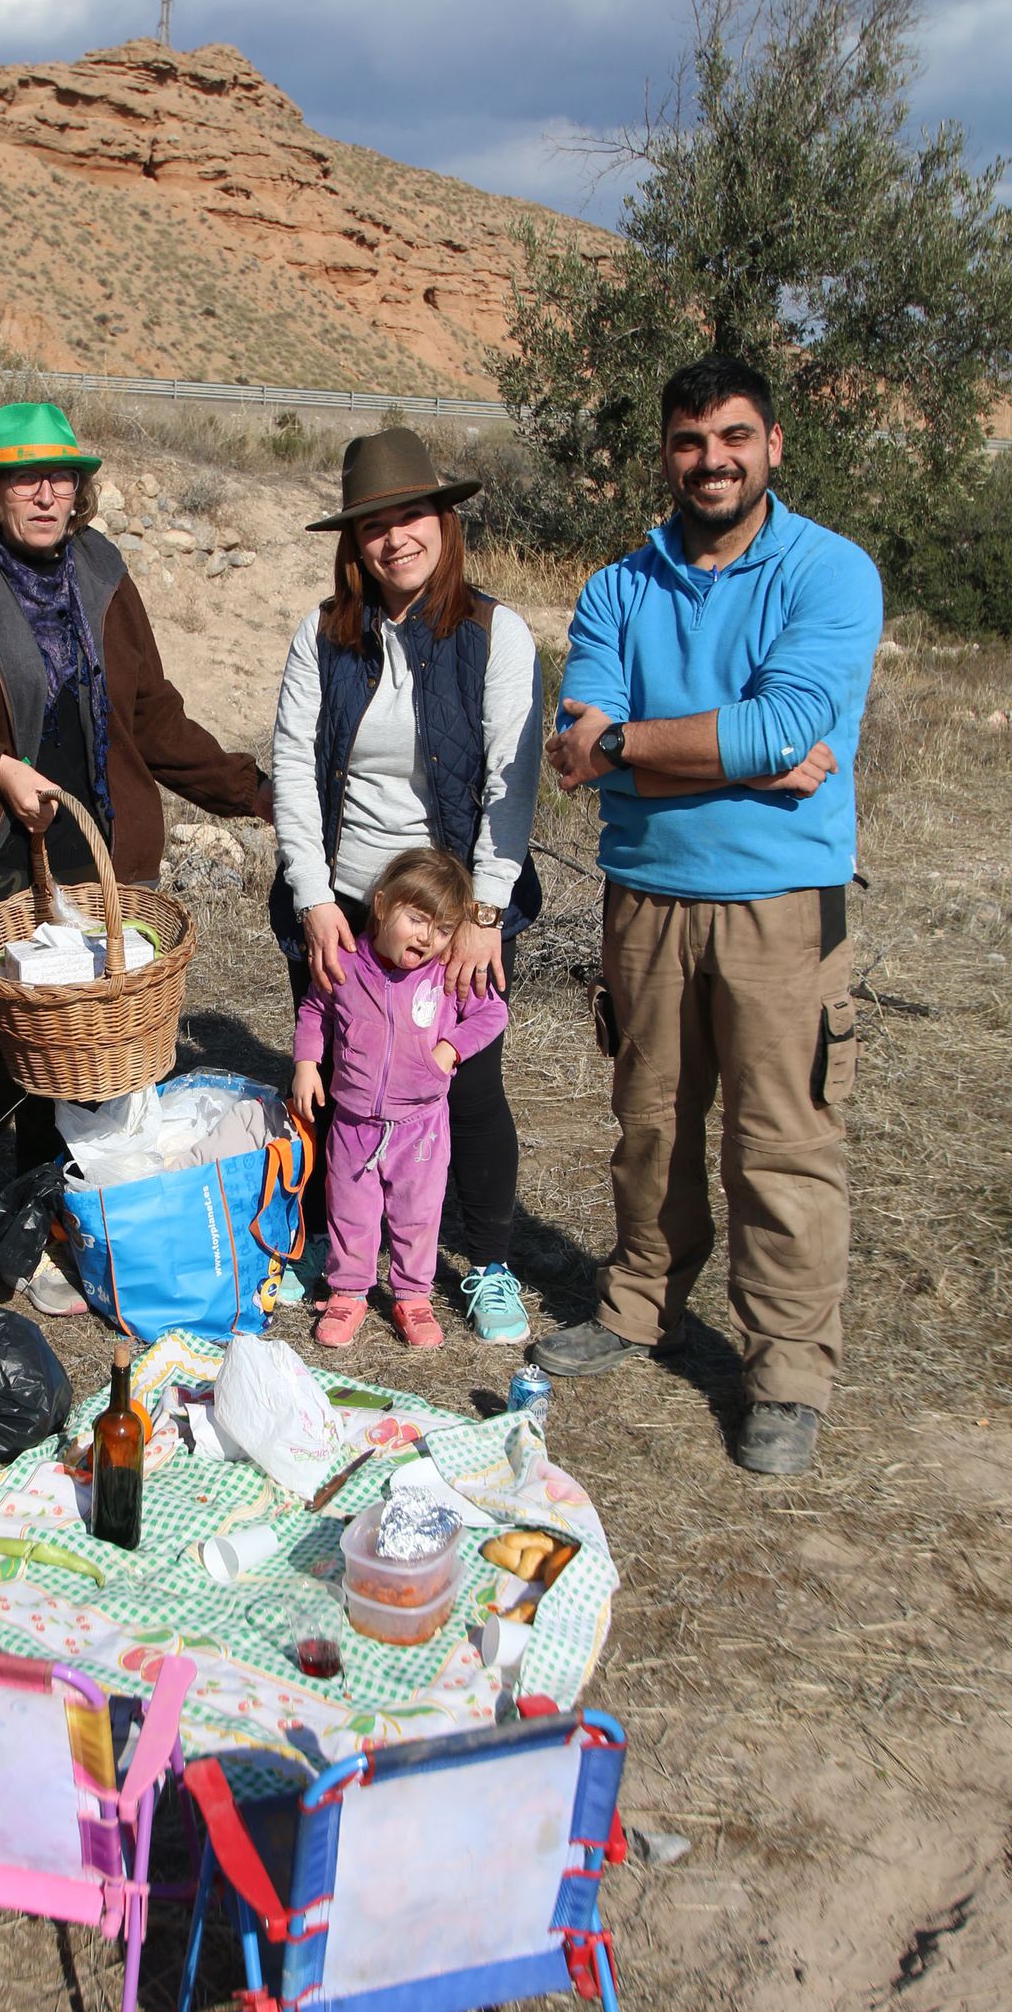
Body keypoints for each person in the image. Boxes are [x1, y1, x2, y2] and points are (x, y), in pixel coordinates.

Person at [536, 354, 883, 1477]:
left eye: (733, 437)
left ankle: (784, 1372)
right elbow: (578, 747)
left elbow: (782, 726)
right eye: (689, 442)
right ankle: (640, 1306)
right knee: (648, 1124)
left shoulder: (828, 573)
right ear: (667, 454)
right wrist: (727, 753)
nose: (711, 460)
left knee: (780, 1145)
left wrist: (633, 748)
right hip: (645, 900)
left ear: (772, 445)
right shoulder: (616, 587)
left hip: (781, 908)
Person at [0, 401, 271, 1310]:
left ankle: (51, 1222)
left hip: (98, 851)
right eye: (23, 477)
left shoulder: (105, 573)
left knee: (83, 1053)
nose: (44, 491)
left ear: (81, 489)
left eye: (60, 475)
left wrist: (256, 792)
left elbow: (152, 718)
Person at [270, 426, 542, 1343]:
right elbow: (294, 770)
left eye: (412, 515)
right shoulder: (324, 637)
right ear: (355, 542)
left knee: (464, 1082)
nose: (396, 538)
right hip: (347, 903)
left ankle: (489, 1263)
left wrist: (486, 909)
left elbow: (515, 773)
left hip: (458, 907)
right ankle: (331, 1255)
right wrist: (312, 898)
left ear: (445, 519)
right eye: (374, 524)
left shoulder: (494, 634)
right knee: (338, 1082)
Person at [293, 847, 509, 1349]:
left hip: (421, 1127)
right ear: (384, 905)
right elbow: (312, 1010)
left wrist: (448, 1050)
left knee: (417, 1213)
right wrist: (307, 1063)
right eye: (417, 919)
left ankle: (412, 1295)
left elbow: (491, 1014)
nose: (427, 937)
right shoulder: (346, 962)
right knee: (350, 1210)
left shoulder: (445, 974)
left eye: (441, 928)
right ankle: (347, 1292)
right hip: (353, 1123)